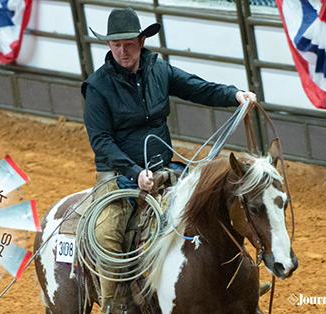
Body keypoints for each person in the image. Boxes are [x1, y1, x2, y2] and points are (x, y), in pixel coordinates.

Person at [81, 7, 268, 312]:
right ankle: (115, 304)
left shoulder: (158, 69)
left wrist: (234, 95)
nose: (122, 51)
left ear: (141, 42)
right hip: (118, 177)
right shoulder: (97, 87)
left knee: (215, 209)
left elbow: (197, 88)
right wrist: (133, 171)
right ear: (109, 46)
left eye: (128, 44)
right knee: (107, 233)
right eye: (116, 45)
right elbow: (101, 141)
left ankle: (237, 286)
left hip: (166, 171)